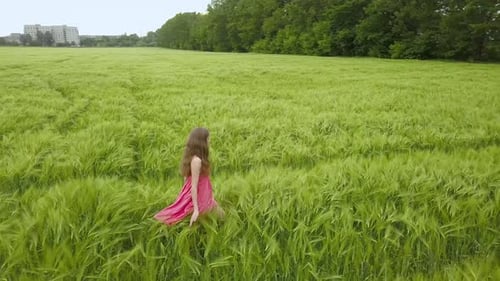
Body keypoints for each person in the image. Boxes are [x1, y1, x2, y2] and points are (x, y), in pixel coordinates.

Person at [154, 127, 224, 226]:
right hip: (200, 195)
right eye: (208, 139)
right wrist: (196, 209)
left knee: (221, 215)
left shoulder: (196, 158)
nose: (209, 141)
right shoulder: (197, 161)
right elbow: (194, 186)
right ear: (201, 142)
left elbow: (186, 178)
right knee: (206, 219)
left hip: (204, 192)